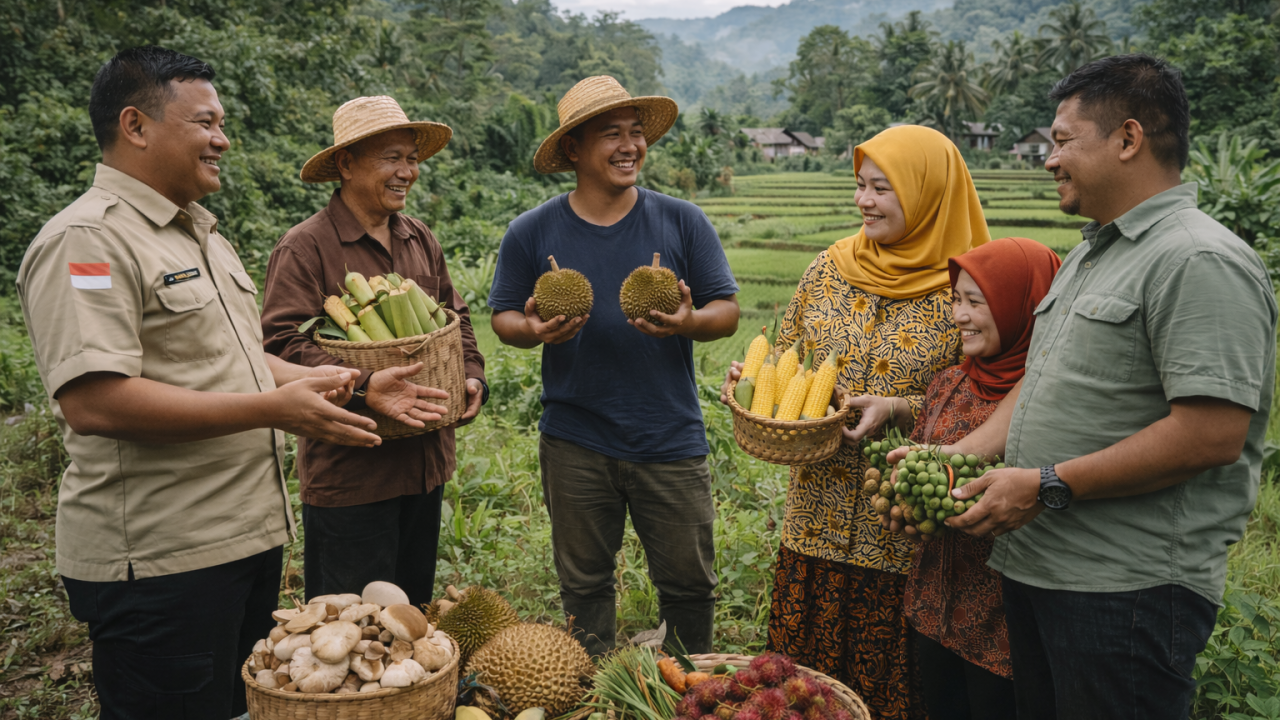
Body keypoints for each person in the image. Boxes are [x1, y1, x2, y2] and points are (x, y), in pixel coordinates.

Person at [897, 55, 1277, 719]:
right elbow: (1040, 383)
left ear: (1128, 140)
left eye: (1063, 141)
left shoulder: (1197, 259)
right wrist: (967, 453)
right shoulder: (1093, 255)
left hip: (1125, 589)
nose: (1049, 159)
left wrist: (1048, 483)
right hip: (1041, 568)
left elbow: (1212, 433)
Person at [16, 46, 385, 720]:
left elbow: (233, 359)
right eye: (206, 122)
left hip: (241, 540)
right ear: (136, 126)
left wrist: (343, 384)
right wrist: (274, 408)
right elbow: (95, 400)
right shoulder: (87, 243)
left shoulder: (200, 235)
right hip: (161, 560)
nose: (223, 139)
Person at [721, 124, 990, 720]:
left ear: (927, 193)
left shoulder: (964, 288)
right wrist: (758, 373)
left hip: (902, 537)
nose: (864, 201)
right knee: (800, 694)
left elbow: (989, 408)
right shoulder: (827, 269)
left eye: (883, 189)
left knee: (888, 695)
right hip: (812, 523)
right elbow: (789, 348)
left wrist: (900, 409)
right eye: (860, 186)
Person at [488, 76, 740, 655]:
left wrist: (688, 322)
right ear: (573, 148)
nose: (630, 146)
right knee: (583, 586)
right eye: (611, 135)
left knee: (689, 585)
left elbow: (726, 311)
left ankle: (687, 686)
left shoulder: (682, 221)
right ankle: (594, 689)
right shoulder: (531, 231)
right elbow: (503, 317)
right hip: (575, 437)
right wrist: (532, 330)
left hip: (669, 435)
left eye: (636, 133)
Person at [261, 96, 487, 608]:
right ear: (346, 163)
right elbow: (280, 346)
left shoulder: (418, 237)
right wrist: (361, 383)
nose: (408, 171)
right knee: (348, 629)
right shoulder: (306, 247)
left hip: (425, 463)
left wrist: (472, 375)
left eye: (411, 158)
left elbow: (457, 319)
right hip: (353, 476)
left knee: (409, 620)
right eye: (392, 158)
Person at [882, 238, 1061, 720]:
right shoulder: (946, 383)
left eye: (976, 302)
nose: (958, 315)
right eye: (956, 300)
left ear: (1022, 304)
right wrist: (907, 506)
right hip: (932, 610)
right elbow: (919, 476)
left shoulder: (1051, 406)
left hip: (1005, 625)